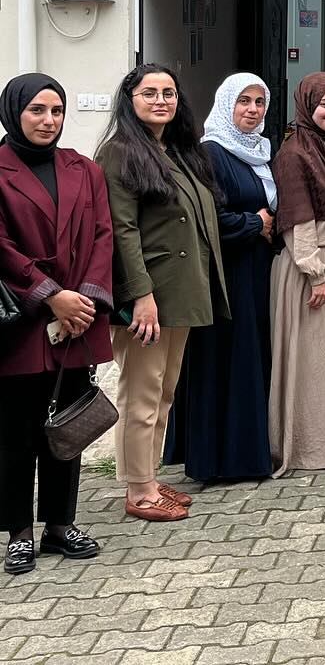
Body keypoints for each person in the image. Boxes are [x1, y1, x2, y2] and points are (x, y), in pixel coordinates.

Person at [96, 65, 228, 520]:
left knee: (163, 390)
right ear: (129, 99)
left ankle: (148, 476)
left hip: (180, 291)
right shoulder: (118, 153)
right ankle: (138, 491)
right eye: (149, 93)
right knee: (141, 392)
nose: (161, 101)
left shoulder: (175, 150)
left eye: (168, 93)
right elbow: (122, 230)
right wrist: (141, 296)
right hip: (147, 296)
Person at [0, 75, 113, 574]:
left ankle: (60, 525)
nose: (49, 121)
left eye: (57, 111)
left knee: (67, 425)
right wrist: (51, 296)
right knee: (16, 430)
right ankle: (18, 532)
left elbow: (104, 235)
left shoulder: (84, 169)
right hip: (21, 320)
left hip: (77, 319)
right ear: (13, 112)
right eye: (37, 110)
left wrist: (82, 300)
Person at [165, 73, 276, 482]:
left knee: (250, 359)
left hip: (255, 271)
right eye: (243, 101)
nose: (252, 110)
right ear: (226, 104)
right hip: (227, 275)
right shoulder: (210, 152)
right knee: (227, 361)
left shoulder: (260, 151)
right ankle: (217, 461)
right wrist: (255, 223)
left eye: (259, 102)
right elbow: (208, 216)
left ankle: (246, 454)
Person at [268, 73, 325, 476]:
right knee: (312, 359)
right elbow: (297, 218)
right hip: (310, 265)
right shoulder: (294, 152)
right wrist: (315, 272)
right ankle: (309, 448)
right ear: (307, 105)